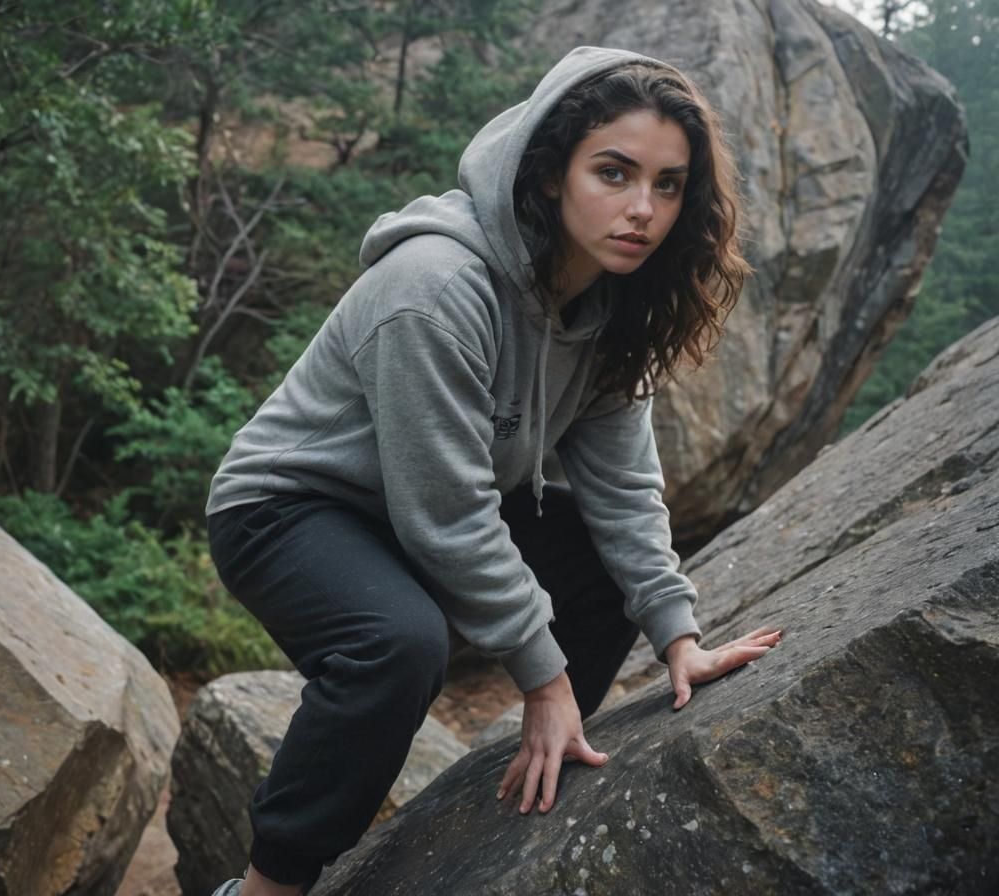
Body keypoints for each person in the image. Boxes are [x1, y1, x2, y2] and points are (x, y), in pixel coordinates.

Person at [204, 45, 781, 896]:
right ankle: (267, 886)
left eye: (667, 185)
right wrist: (542, 678)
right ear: (550, 173)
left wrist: (679, 638)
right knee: (396, 646)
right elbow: (446, 513)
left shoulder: (612, 305)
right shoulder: (433, 286)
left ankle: (525, 798)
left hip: (428, 507)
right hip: (291, 508)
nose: (642, 209)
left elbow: (622, 489)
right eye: (614, 173)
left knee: (597, 576)